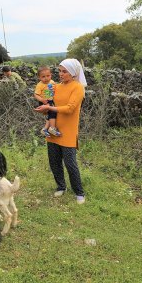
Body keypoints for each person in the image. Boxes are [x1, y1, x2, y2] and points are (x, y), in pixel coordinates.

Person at [34, 59, 86, 204]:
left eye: (64, 71)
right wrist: (44, 109)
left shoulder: (78, 88)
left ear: (73, 73)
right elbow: (50, 104)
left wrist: (49, 108)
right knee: (54, 162)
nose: (60, 74)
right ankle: (61, 186)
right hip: (53, 130)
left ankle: (79, 192)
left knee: (70, 163)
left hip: (68, 131)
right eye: (59, 71)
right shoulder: (55, 87)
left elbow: (70, 109)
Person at [34, 66, 62, 137]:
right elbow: (36, 95)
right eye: (43, 77)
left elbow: (56, 88)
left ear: (51, 75)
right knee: (53, 112)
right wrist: (42, 100)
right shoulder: (40, 85)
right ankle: (52, 128)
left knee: (50, 114)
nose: (46, 78)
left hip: (51, 100)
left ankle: (45, 129)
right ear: (39, 77)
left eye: (48, 76)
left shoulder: (52, 82)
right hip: (45, 101)